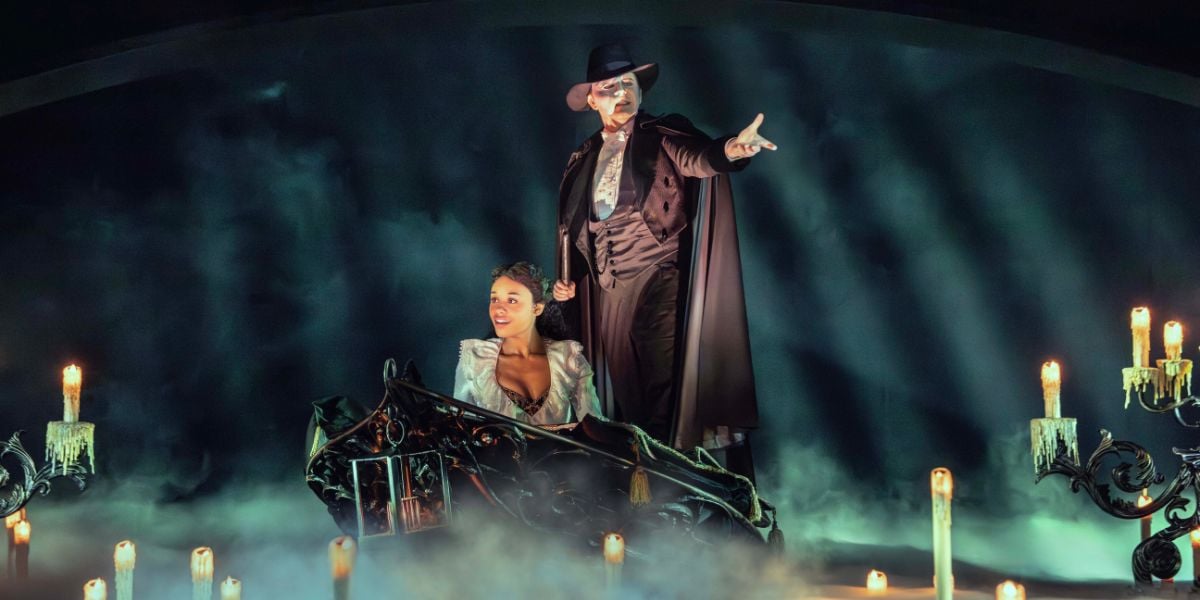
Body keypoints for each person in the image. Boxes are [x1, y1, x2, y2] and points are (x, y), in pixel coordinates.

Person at [553, 43, 775, 476]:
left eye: (629, 84)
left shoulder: (661, 134)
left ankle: (674, 490)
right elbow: (572, 232)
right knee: (626, 395)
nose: (621, 92)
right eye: (609, 86)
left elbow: (698, 159)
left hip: (658, 274)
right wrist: (570, 282)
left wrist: (732, 150)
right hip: (608, 290)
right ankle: (648, 487)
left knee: (663, 390)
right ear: (593, 100)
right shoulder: (581, 160)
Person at [454, 262, 602, 427]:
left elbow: (596, 427)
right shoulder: (475, 360)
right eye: (494, 299)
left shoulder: (569, 359)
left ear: (537, 308)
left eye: (511, 300)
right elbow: (460, 430)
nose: (498, 309)